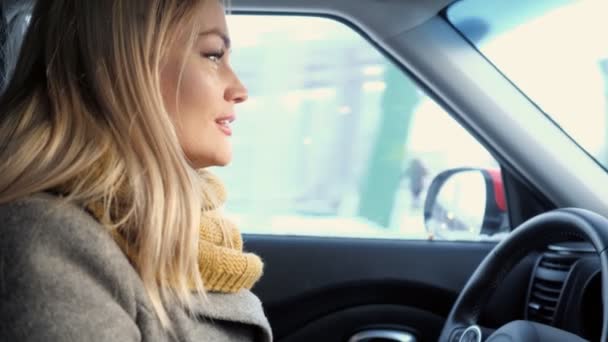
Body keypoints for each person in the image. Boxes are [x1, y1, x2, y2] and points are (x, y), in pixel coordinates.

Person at [0, 0, 272, 341]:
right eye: (214, 55)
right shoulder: (48, 241)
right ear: (127, 64)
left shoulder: (191, 230)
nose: (240, 90)